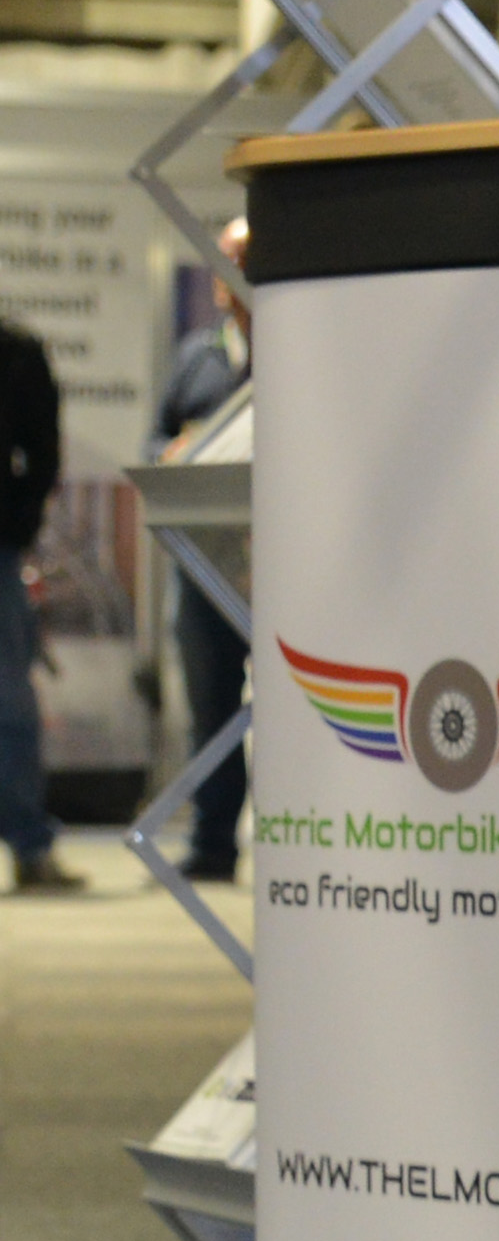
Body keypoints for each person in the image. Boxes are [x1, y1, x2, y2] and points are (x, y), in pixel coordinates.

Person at [161, 235, 248, 883]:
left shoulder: (299, 345)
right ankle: (212, 843)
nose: (227, 272)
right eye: (220, 259)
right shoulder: (197, 357)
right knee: (210, 704)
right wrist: (172, 450)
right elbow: (155, 437)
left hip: (280, 561)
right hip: (203, 560)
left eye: (239, 261)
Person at [0, 306, 66, 894]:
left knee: (10, 703)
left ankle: (30, 845)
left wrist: (18, 525)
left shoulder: (15, 351)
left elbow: (42, 451)